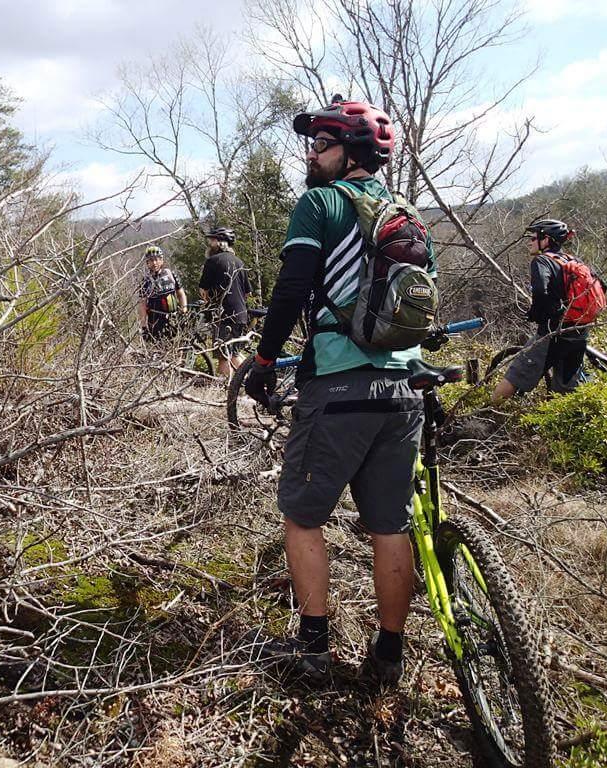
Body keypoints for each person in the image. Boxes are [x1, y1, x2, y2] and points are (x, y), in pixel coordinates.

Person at [243, 98, 437, 685]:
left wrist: (265, 357)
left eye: (322, 143)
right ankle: (389, 654)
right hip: (403, 389)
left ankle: (313, 648)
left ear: (349, 151)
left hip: (339, 387)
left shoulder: (318, 203)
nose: (311, 152)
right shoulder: (407, 213)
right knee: (390, 525)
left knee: (302, 518)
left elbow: (292, 284)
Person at [491, 219, 596, 404]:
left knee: (515, 376)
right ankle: (564, 428)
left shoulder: (542, 261)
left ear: (546, 240)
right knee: (566, 388)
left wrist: (537, 312)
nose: (529, 242)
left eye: (533, 237)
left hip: (553, 333)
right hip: (579, 332)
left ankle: (484, 418)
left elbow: (540, 290)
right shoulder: (573, 261)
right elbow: (601, 286)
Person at [198, 226, 252, 377]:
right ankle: (251, 380)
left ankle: (227, 388)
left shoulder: (212, 261)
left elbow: (203, 291)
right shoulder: (239, 262)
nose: (210, 243)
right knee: (233, 353)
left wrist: (209, 304)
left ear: (221, 242)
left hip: (224, 316)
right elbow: (247, 293)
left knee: (223, 356)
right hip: (241, 314)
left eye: (213, 240)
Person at [138, 245, 187, 342]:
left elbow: (180, 293)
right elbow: (142, 303)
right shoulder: (145, 281)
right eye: (151, 260)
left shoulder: (171, 274)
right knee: (158, 350)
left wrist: (184, 310)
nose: (154, 263)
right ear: (147, 263)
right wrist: (143, 325)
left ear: (162, 260)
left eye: (157, 259)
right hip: (155, 321)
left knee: (178, 346)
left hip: (174, 317)